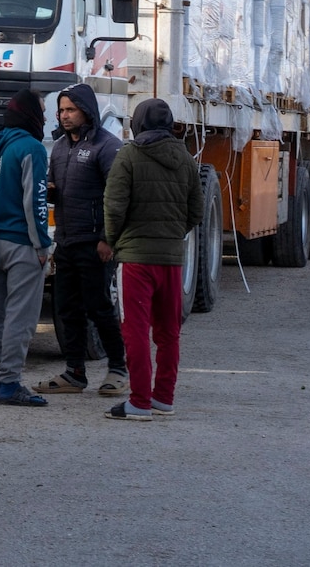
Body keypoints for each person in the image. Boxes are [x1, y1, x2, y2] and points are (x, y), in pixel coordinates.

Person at [99, 99, 204, 421]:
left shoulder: (129, 156)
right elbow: (195, 211)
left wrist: (111, 241)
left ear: (139, 123)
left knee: (135, 329)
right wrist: (172, 235)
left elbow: (114, 206)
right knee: (168, 331)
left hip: (136, 260)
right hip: (172, 259)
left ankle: (139, 402)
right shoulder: (186, 159)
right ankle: (163, 398)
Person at [36, 83, 128, 397]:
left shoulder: (108, 146)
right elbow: (58, 189)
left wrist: (107, 239)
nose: (64, 116)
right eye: (61, 110)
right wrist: (50, 192)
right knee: (66, 309)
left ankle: (117, 369)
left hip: (95, 244)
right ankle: (74, 372)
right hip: (66, 241)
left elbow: (117, 198)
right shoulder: (59, 148)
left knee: (100, 307)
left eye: (70, 110)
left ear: (86, 111)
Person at [0, 90, 54, 407]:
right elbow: (36, 202)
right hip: (23, 245)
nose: (45, 118)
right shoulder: (32, 148)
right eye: (42, 112)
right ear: (31, 114)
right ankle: (10, 384)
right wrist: (42, 244)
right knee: (21, 317)